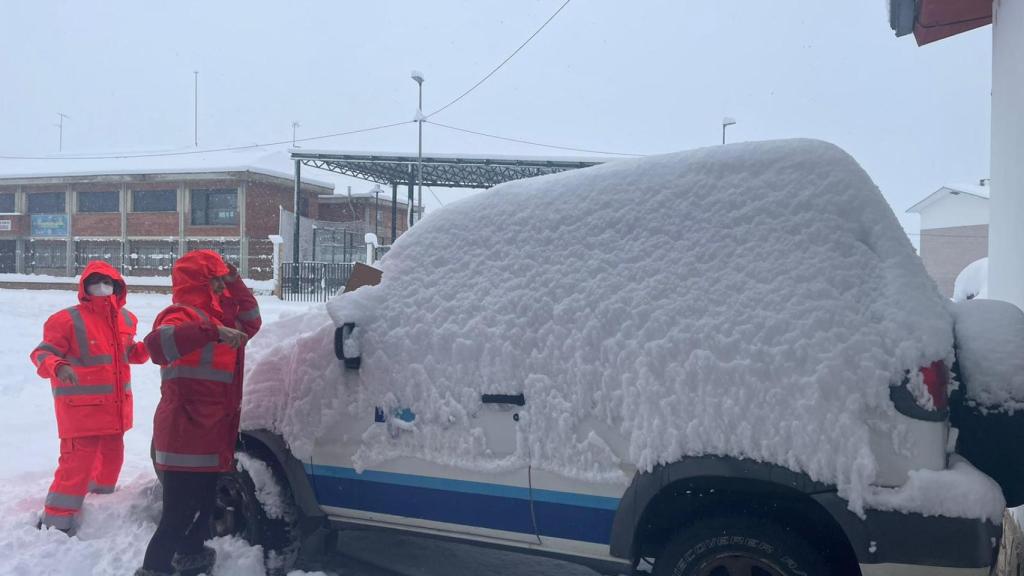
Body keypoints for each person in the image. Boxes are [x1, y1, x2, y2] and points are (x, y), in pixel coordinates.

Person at [136, 250, 261, 576]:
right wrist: (213, 333)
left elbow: (252, 321)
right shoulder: (179, 315)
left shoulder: (222, 320)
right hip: (183, 433)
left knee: (203, 511)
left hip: (212, 433)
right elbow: (157, 345)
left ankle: (191, 560)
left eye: (223, 280)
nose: (221, 287)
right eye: (216, 280)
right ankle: (155, 570)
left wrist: (237, 283)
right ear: (200, 282)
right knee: (177, 518)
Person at [29, 261, 150, 535]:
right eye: (95, 282)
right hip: (80, 412)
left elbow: (128, 353)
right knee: (76, 467)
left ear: (118, 287)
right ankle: (56, 523)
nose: (102, 288)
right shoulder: (65, 320)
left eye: (108, 283)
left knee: (111, 462)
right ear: (84, 287)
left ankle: (100, 507)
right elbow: (41, 353)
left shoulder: (127, 319)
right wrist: (58, 366)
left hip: (114, 410)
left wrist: (147, 349)